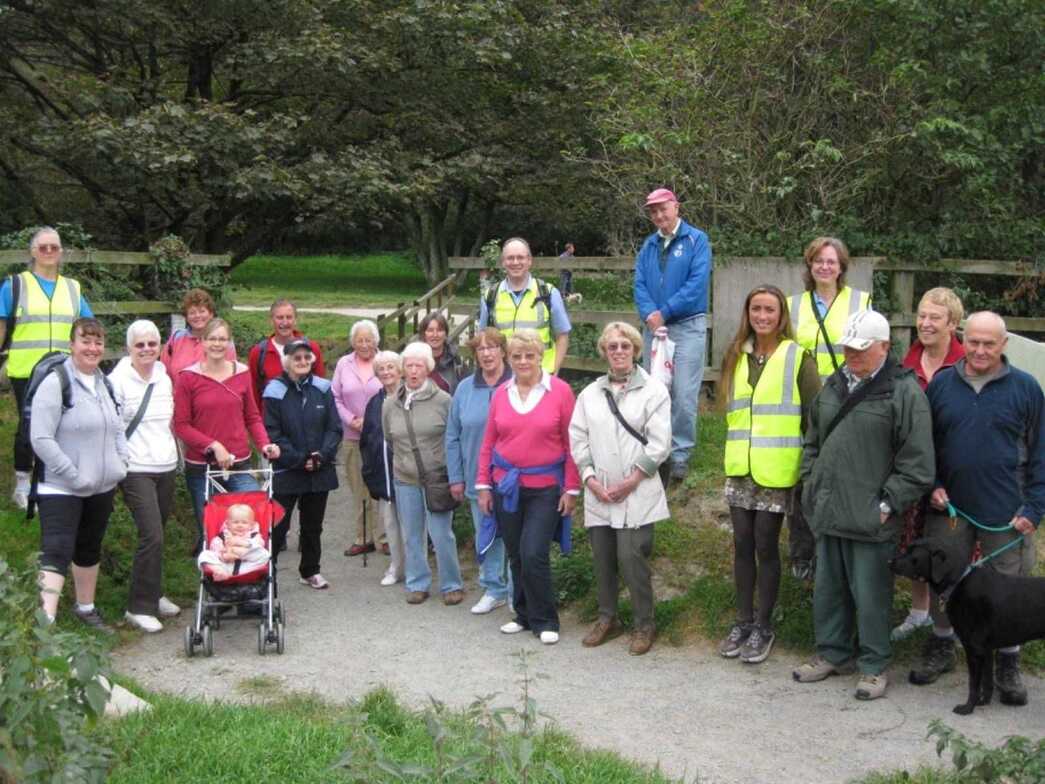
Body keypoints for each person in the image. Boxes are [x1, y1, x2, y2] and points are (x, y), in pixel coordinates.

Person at [792, 310, 934, 701]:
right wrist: (811, 482)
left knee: (872, 595)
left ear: (885, 347)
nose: (851, 355)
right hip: (830, 509)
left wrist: (889, 504)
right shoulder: (833, 385)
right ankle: (833, 654)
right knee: (828, 589)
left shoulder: (904, 392)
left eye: (860, 348)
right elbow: (812, 439)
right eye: (847, 348)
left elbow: (918, 464)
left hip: (872, 516)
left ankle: (874, 666)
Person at [909, 311, 1043, 705]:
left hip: (1008, 511)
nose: (981, 350)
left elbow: (1041, 453)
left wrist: (1035, 507)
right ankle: (942, 643)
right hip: (950, 509)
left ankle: (1008, 661)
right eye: (974, 342)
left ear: (1004, 345)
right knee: (943, 580)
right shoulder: (942, 386)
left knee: (1010, 588)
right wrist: (932, 485)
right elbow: (925, 445)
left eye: (990, 343)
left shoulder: (1026, 388)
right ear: (962, 339)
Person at [718, 287, 820, 664]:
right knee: (742, 544)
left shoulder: (797, 357)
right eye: (756, 309)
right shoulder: (735, 354)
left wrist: (808, 465)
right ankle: (742, 621)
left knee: (765, 544)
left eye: (770, 310)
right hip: (740, 465)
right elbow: (729, 408)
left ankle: (764, 625)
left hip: (777, 468)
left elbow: (814, 415)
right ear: (748, 313)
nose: (762, 316)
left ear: (781, 317)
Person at [569, 321, 670, 655]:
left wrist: (632, 480)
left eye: (625, 346)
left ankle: (644, 623)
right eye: (612, 347)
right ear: (604, 352)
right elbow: (578, 438)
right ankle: (607, 617)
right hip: (600, 491)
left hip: (636, 489)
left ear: (636, 350)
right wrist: (590, 479)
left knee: (631, 556)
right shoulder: (589, 394)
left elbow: (660, 443)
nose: (619, 352)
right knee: (603, 557)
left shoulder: (654, 391)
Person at [476, 329, 581, 645]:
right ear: (510, 359)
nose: (523, 361)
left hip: (546, 487)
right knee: (516, 554)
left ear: (541, 356)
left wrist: (571, 488)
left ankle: (546, 619)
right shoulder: (501, 394)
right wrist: (483, 485)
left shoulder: (560, 392)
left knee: (534, 552)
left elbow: (572, 443)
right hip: (506, 487)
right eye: (517, 356)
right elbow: (489, 443)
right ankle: (521, 615)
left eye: (529, 355)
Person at [31, 318, 127, 629]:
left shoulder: (105, 383)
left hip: (101, 484)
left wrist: (120, 463)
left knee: (89, 546)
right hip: (61, 486)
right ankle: (44, 623)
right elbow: (41, 438)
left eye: (98, 342)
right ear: (72, 345)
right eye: (85, 341)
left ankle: (86, 608)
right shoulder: (55, 383)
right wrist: (72, 475)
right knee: (57, 549)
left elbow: (117, 429)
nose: (92, 348)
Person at [785, 237, 871, 580]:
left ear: (842, 267)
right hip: (802, 401)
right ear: (809, 266)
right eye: (818, 260)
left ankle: (833, 550)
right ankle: (801, 551)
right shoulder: (793, 305)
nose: (824, 267)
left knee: (838, 473)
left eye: (831, 261)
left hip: (844, 399)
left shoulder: (860, 301)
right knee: (803, 474)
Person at [891, 288, 965, 642]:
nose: (925, 323)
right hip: (912, 467)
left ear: (953, 323)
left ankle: (949, 621)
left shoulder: (966, 363)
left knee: (947, 546)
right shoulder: (906, 364)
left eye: (935, 317)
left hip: (952, 472)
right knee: (913, 538)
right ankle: (918, 612)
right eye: (921, 315)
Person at [0, 227, 93, 509]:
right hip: (26, 369)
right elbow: (2, 326)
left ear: (61, 251)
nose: (49, 252)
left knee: (61, 425)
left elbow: (86, 326)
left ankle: (50, 479)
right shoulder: (15, 285)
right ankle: (22, 482)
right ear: (33, 252)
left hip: (63, 371)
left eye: (54, 247)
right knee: (29, 426)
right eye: (43, 247)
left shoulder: (72, 287)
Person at [173, 318, 279, 554]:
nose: (217, 344)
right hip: (203, 467)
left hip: (239, 464)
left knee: (251, 523)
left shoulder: (241, 373)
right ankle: (215, 583)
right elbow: (181, 425)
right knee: (212, 533)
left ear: (229, 343)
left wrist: (264, 444)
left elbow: (252, 416)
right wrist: (212, 445)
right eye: (212, 338)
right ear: (202, 342)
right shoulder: (188, 378)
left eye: (222, 339)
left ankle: (247, 579)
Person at [633, 188, 712, 483]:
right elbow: (639, 282)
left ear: (676, 207)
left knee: (683, 392)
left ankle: (680, 453)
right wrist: (651, 315)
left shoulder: (697, 240)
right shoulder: (648, 245)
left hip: (687, 325)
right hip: (654, 327)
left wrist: (662, 312)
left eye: (662, 209)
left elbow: (696, 283)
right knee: (654, 390)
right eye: (652, 211)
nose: (658, 215)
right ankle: (657, 447)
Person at [109, 320, 181, 632]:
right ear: (129, 348)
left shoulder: (164, 377)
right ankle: (138, 607)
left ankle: (154, 593)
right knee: (152, 534)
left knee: (158, 534)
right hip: (135, 469)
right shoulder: (117, 380)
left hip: (165, 465)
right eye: (140, 345)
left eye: (152, 344)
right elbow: (112, 427)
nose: (147, 349)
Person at [382, 342, 464, 605]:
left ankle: (452, 584)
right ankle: (417, 583)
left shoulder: (444, 401)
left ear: (428, 369)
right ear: (402, 369)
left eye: (419, 365)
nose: (414, 371)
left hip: (437, 478)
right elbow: (390, 438)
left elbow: (454, 439)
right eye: (409, 365)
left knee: (442, 533)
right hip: (405, 477)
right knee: (412, 533)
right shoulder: (390, 404)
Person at [263, 338, 342, 590]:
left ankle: (310, 570)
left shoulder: (323, 387)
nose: (303, 362)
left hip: (319, 469)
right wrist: (299, 459)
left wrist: (322, 456)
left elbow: (334, 428)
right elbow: (272, 432)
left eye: (307, 357)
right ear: (287, 361)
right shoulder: (274, 390)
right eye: (297, 358)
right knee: (278, 525)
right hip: (288, 470)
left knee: (313, 525)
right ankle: (267, 571)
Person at [446, 328, 513, 615]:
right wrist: (456, 477)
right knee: (487, 534)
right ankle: (493, 588)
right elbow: (452, 435)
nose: (486, 353)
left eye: (492, 347)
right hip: (477, 476)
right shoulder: (464, 388)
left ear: (503, 351)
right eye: (480, 349)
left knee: (514, 536)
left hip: (513, 479)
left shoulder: (516, 384)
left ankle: (516, 590)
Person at [478, 237, 571, 375]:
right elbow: (483, 337)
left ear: (529, 261)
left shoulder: (548, 293)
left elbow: (562, 335)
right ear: (503, 262)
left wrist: (554, 373)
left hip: (541, 377)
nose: (515, 262)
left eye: (520, 257)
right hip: (504, 378)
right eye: (510, 258)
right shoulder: (490, 296)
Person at [331, 319, 383, 557]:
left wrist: (373, 422)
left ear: (376, 340)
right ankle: (363, 537)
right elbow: (335, 397)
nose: (364, 344)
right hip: (352, 436)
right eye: (359, 340)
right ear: (353, 342)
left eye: (368, 339)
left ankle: (384, 537)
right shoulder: (344, 364)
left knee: (382, 487)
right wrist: (351, 419)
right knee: (358, 488)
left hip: (380, 436)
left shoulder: (385, 362)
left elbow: (393, 393)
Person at [360, 350, 406, 587]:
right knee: (391, 525)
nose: (387, 372)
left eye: (391, 367)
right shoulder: (374, 402)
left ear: (400, 370)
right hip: (384, 473)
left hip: (408, 472)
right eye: (381, 369)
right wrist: (369, 472)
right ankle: (396, 567)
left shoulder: (410, 396)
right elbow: (367, 439)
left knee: (412, 525)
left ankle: (418, 570)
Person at [248, 298, 326, 413]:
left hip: (306, 419)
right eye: (279, 317)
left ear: (295, 320)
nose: (285, 322)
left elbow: (321, 389)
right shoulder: (259, 353)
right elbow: (254, 394)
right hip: (271, 422)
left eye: (289, 317)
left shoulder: (311, 349)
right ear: (271, 320)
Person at [162, 289, 236, 379]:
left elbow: (232, 374)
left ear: (211, 313)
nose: (197, 316)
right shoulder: (176, 339)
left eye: (202, 311)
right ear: (186, 317)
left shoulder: (222, 339)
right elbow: (164, 372)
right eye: (192, 312)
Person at [196, 503, 270, 581]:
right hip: (226, 567)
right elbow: (214, 547)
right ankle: (219, 572)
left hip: (247, 567)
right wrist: (224, 555)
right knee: (204, 554)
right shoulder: (222, 536)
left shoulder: (254, 535)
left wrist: (243, 544)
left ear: (251, 525)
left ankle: (239, 552)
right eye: (235, 522)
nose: (240, 525)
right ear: (228, 524)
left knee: (265, 554)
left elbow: (259, 545)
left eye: (244, 522)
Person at [419, 312, 463, 394]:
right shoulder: (413, 360)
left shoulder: (456, 362)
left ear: (446, 334)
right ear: (424, 334)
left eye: (439, 330)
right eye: (430, 330)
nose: (435, 335)